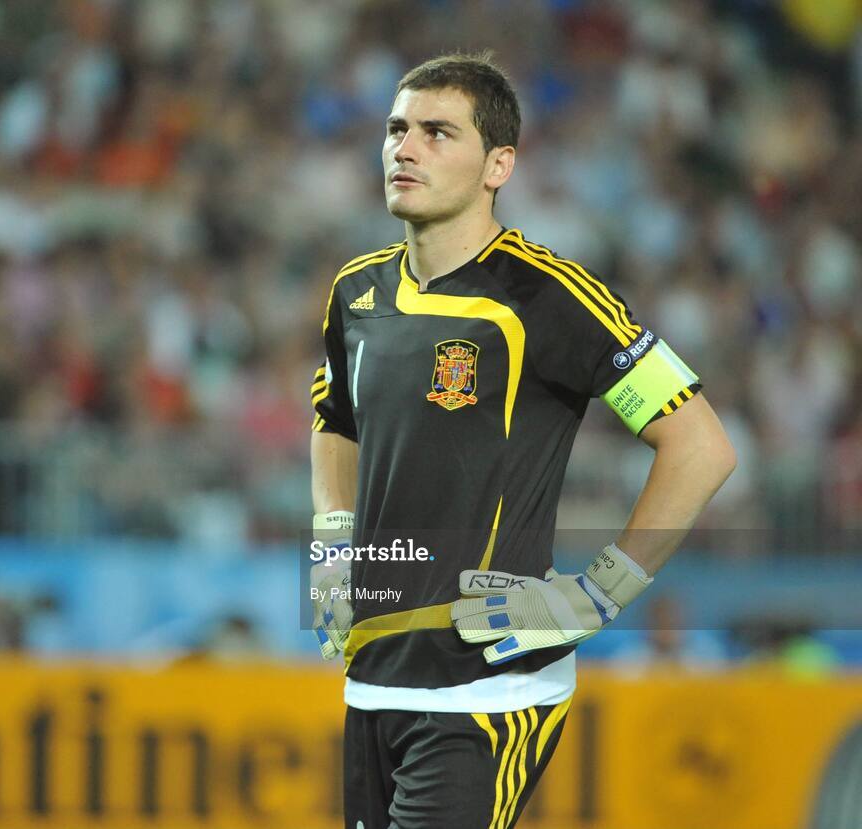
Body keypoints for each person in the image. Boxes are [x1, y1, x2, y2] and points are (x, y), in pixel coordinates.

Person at [308, 52, 736, 829]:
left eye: (438, 133)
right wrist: (334, 537)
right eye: (397, 128)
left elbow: (702, 446)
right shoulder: (356, 290)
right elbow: (335, 417)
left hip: (487, 691)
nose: (405, 148)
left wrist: (599, 592)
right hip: (373, 681)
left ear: (499, 164)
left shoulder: (550, 294)